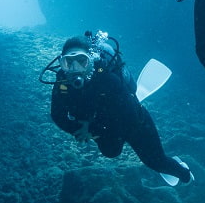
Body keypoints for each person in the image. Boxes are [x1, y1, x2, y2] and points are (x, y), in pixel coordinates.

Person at [44, 30, 191, 185]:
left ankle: (185, 173)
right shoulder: (62, 82)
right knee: (111, 152)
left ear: (91, 61)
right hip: (101, 123)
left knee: (157, 162)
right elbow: (57, 115)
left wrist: (92, 129)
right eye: (69, 63)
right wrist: (78, 128)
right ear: (62, 64)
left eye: (81, 61)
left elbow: (130, 117)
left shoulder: (107, 78)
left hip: (132, 121)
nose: (75, 69)